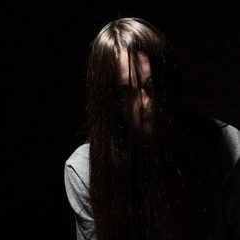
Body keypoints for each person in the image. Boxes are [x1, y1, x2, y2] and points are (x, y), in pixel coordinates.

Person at [64, 17, 240, 240]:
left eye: (151, 84)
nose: (145, 103)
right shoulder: (83, 170)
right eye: (124, 92)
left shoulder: (226, 148)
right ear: (107, 100)